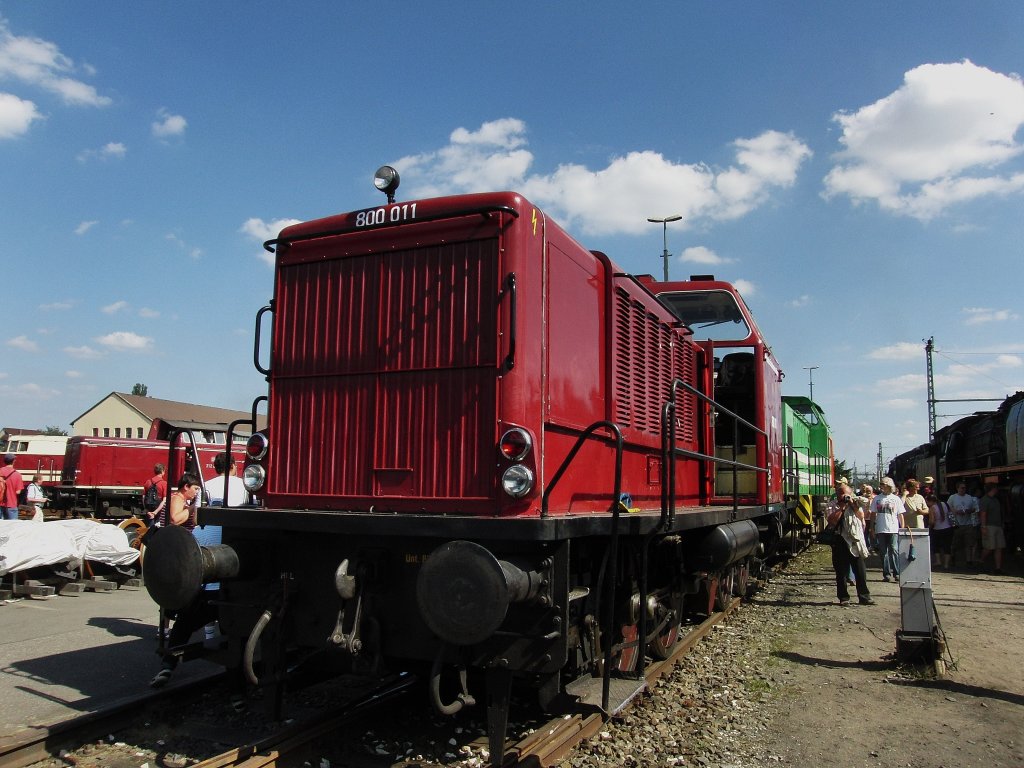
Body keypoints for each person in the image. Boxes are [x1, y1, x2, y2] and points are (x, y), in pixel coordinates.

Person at [150, 472, 206, 689]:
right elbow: (175, 519)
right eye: (194, 489)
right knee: (176, 595)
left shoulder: (182, 499)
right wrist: (193, 509)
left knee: (173, 597)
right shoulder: (177, 499)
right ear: (186, 487)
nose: (195, 492)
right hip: (175, 551)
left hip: (177, 549)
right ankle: (165, 629)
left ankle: (165, 629)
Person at [826, 483, 874, 605]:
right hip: (839, 540)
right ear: (837, 495)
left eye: (847, 494)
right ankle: (843, 598)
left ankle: (864, 596)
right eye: (842, 494)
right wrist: (842, 507)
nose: (846, 496)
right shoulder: (832, 505)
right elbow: (832, 520)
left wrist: (852, 505)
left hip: (854, 540)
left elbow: (861, 516)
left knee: (860, 570)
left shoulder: (855, 504)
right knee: (841, 571)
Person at [871, 477, 906, 582]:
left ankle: (897, 572)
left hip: (893, 528)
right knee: (883, 552)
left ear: (889, 485)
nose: (882, 486)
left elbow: (900, 514)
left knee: (894, 550)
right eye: (881, 484)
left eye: (884, 484)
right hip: (881, 528)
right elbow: (873, 514)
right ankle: (886, 573)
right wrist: (871, 528)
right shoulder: (877, 498)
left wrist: (902, 527)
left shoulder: (896, 499)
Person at [948, 481, 980, 568]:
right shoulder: (953, 497)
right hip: (957, 523)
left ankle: (969, 561)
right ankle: (952, 557)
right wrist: (955, 512)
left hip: (968, 523)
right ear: (957, 488)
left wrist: (968, 511)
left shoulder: (969, 497)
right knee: (955, 543)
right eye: (962, 488)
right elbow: (948, 508)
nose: (963, 489)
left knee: (969, 543)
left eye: (965, 488)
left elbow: (975, 508)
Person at [978, 482, 1006, 575]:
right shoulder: (985, 500)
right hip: (989, 526)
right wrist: (983, 526)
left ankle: (998, 568)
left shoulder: (995, 500)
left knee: (999, 547)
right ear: (992, 489)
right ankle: (981, 560)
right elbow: (983, 514)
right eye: (995, 488)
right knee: (989, 547)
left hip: (998, 526)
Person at [927, 493, 954, 570]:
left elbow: (932, 521)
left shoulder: (932, 508)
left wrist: (929, 525)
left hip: (937, 529)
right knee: (947, 546)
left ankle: (938, 561)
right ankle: (946, 564)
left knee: (936, 546)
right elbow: (952, 513)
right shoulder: (945, 504)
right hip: (948, 528)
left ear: (931, 501)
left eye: (928, 502)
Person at [0, 453, 25, 521]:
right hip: (11, 504)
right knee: (12, 526)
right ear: (13, 461)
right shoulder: (17, 474)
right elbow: (18, 492)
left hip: (0, 503)